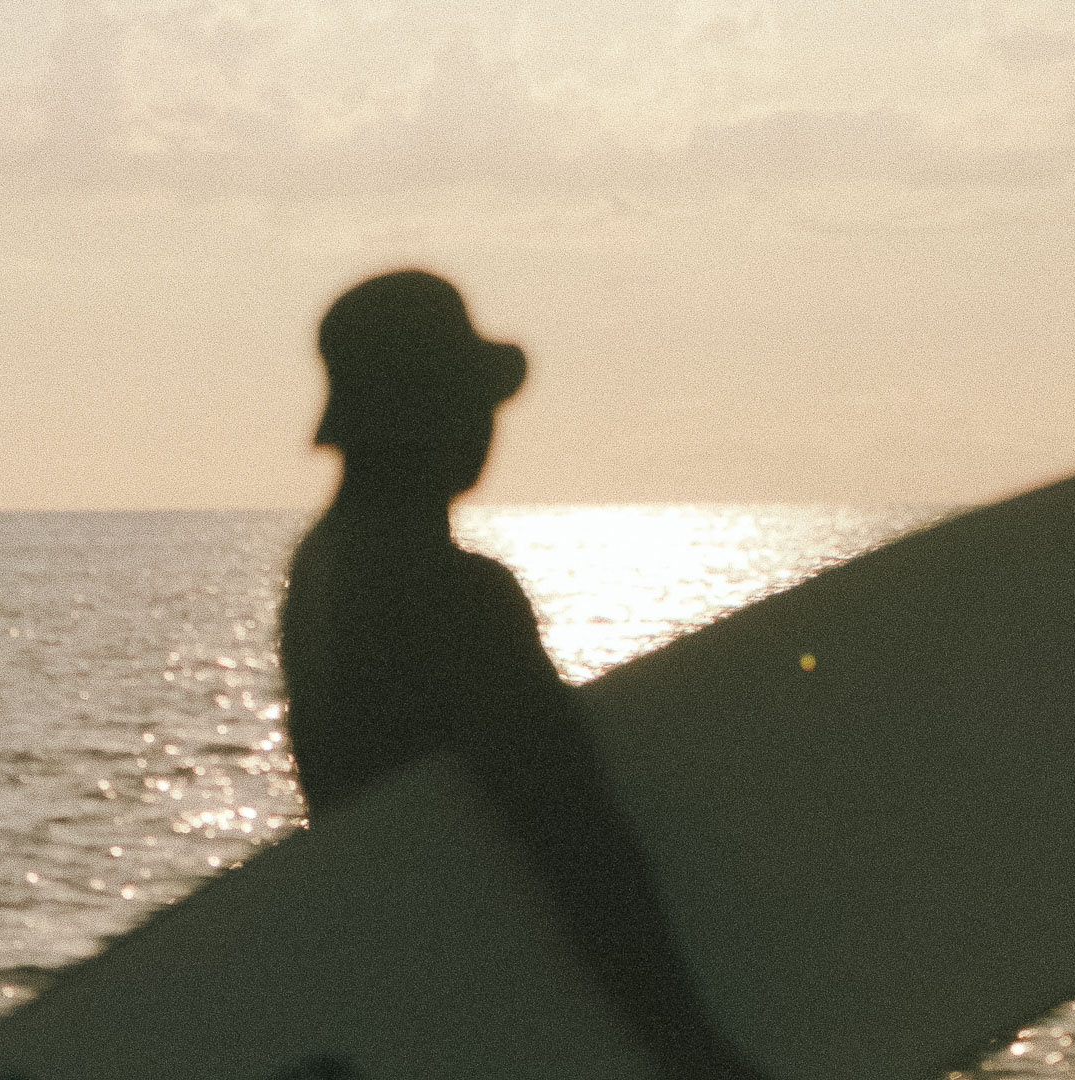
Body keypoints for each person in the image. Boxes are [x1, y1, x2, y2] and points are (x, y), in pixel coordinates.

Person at [278, 269, 768, 1080]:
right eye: (469, 398)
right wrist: (691, 1046)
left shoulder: (320, 572)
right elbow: (570, 831)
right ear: (427, 412)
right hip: (491, 1004)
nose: (486, 422)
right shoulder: (454, 594)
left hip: (414, 1002)